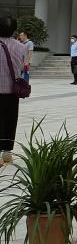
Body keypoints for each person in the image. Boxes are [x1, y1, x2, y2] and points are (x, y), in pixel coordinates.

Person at [0, 15, 28, 166]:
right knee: (10, 120)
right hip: (13, 91)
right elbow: (22, 66)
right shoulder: (21, 47)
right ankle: (7, 153)